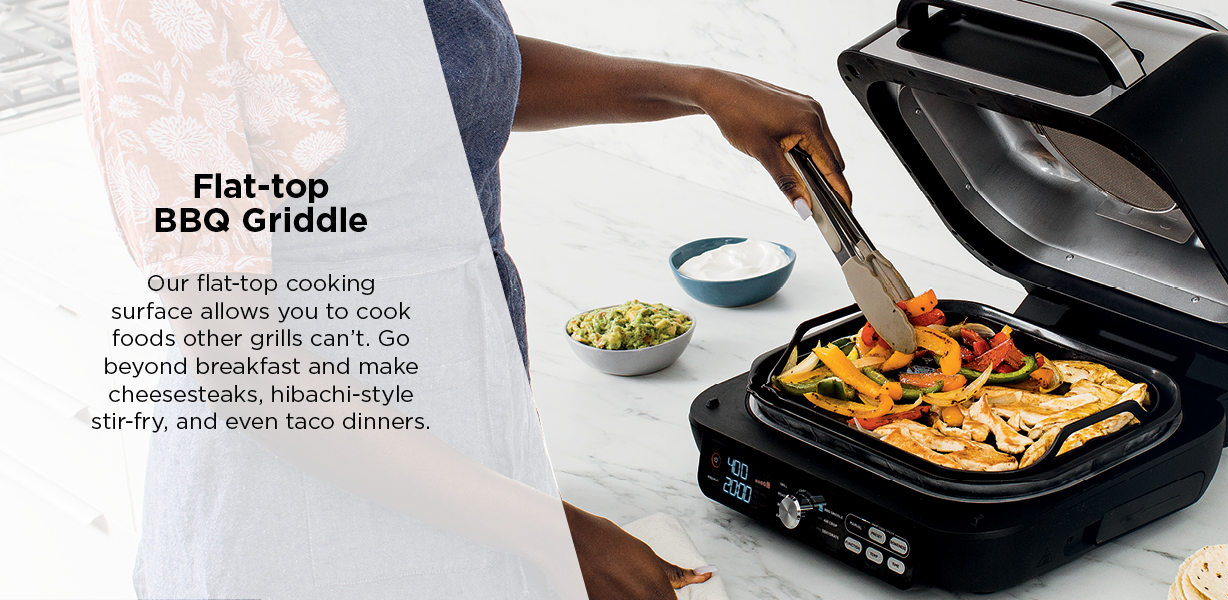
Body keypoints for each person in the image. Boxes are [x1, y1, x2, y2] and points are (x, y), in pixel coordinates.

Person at [74, 0, 849, 598]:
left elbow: (449, 80)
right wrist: (544, 528)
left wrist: (696, 88)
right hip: (295, 492)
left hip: (469, 443)